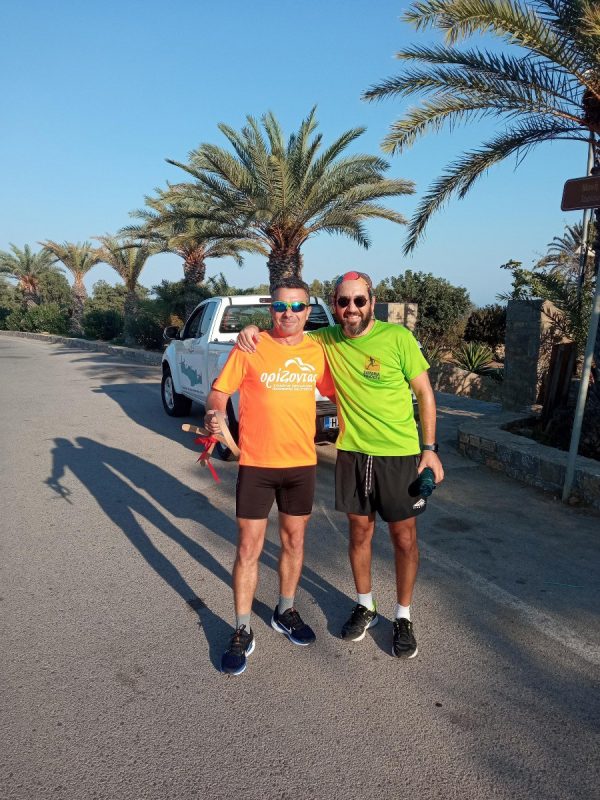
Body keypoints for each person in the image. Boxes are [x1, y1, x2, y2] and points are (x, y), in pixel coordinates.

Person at [237, 271, 444, 659]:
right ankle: (366, 606)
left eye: (359, 301)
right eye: (343, 301)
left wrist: (429, 449)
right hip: (352, 454)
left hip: (399, 454)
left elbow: (425, 393)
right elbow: (285, 333)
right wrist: (251, 329)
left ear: (372, 302)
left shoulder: (398, 338)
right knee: (359, 534)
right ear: (334, 305)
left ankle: (403, 616)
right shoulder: (325, 340)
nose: (351, 308)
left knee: (404, 538)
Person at [205, 278, 335, 675]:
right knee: (248, 548)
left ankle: (285, 611)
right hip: (257, 465)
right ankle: (242, 628)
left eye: (297, 307)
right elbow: (219, 392)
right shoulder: (250, 346)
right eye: (280, 306)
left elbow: (338, 394)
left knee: (294, 542)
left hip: (300, 465)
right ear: (270, 310)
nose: (288, 314)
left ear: (308, 311)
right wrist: (213, 414)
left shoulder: (317, 351)